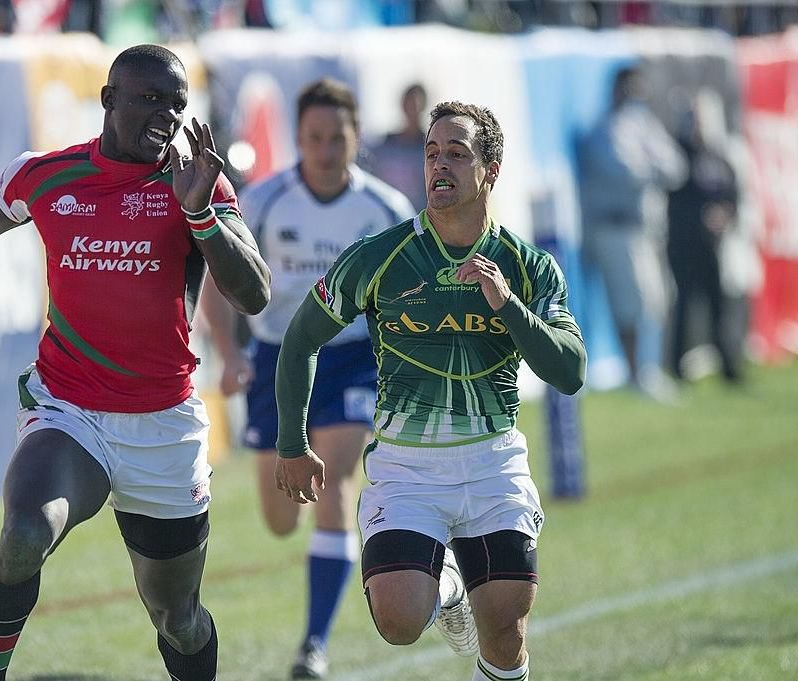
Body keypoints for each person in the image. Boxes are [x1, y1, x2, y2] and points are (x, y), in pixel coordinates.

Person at [0, 44, 270, 681]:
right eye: (147, 99)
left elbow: (254, 293)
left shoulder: (196, 183)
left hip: (163, 424)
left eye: (176, 104)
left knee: (176, 616)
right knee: (25, 532)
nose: (164, 115)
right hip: (69, 407)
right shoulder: (46, 175)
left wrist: (200, 214)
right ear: (108, 100)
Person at [274, 100, 586, 681]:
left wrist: (507, 306)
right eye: (432, 152)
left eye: (457, 154)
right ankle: (447, 588)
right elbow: (298, 342)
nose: (439, 165)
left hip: (493, 464)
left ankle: (466, 600)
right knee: (398, 620)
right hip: (407, 469)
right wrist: (292, 442)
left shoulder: (529, 267)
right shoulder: (380, 256)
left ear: (489, 171)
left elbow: (569, 372)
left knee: (506, 629)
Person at [200, 77, 414, 680]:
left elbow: (407, 300)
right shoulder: (264, 201)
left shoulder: (385, 211)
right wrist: (229, 353)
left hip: (350, 358)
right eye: (313, 137)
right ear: (298, 138)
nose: (324, 149)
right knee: (278, 519)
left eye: (336, 137)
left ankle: (313, 646)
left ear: (356, 138)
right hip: (274, 358)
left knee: (335, 484)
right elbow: (217, 285)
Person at [577, 65, 686, 399]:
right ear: (615, 89)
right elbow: (626, 173)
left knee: (656, 300)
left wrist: (648, 165)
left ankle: (648, 370)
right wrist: (651, 166)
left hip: (647, 229)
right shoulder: (603, 129)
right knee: (630, 303)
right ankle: (636, 373)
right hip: (616, 228)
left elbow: (677, 168)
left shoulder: (644, 124)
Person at [667, 91, 743, 383]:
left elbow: (733, 194)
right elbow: (676, 197)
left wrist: (725, 214)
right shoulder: (679, 154)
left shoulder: (718, 156)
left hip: (713, 245)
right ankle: (678, 369)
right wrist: (700, 218)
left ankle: (730, 368)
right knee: (685, 304)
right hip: (685, 244)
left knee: (719, 305)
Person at [366, 82, 429, 208]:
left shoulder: (431, 150)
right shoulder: (383, 148)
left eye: (416, 105)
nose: (412, 109)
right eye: (409, 103)